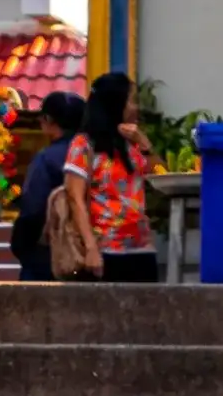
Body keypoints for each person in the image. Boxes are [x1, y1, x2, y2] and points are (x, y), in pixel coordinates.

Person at [64, 71, 162, 283]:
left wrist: (145, 144)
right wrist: (90, 248)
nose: (136, 107)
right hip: (104, 252)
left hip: (141, 250)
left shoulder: (132, 142)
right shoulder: (84, 144)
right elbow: (75, 197)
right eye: (132, 101)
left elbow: (162, 177)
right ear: (115, 103)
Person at [9, 89, 87, 281]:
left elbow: (33, 209)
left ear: (49, 121)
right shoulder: (96, 155)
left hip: (53, 251)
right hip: (94, 249)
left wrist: (21, 245)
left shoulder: (47, 158)